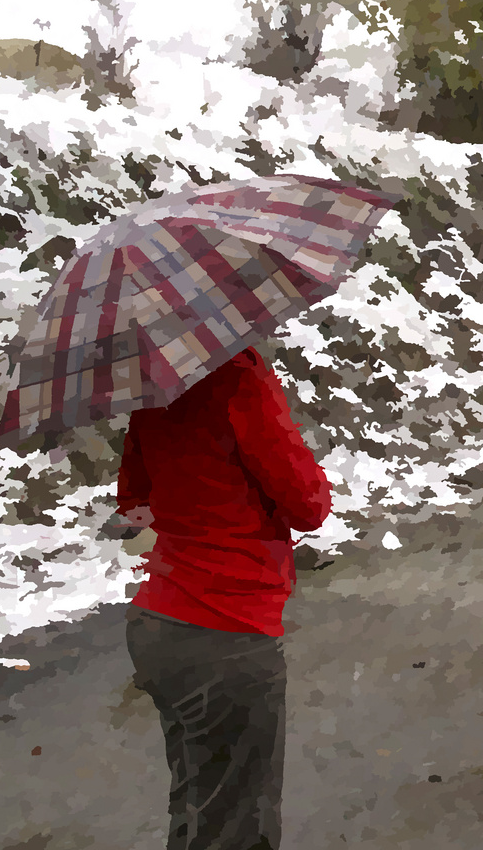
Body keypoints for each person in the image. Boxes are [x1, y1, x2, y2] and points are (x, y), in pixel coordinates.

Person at [107, 345, 334, 850]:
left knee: (200, 805)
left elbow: (133, 498)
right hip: (227, 630)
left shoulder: (152, 383)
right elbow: (309, 504)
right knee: (237, 822)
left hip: (160, 622)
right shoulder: (236, 375)